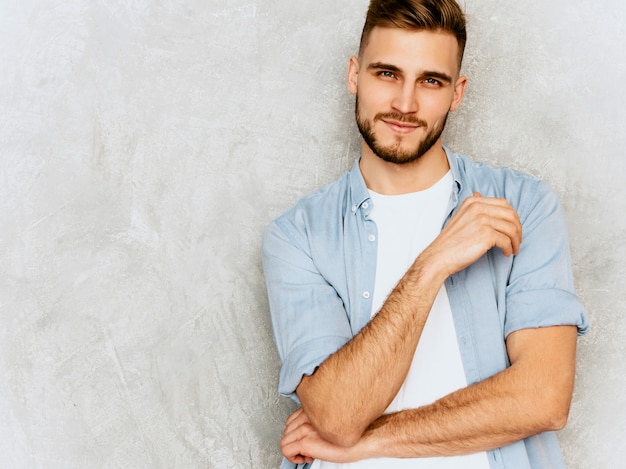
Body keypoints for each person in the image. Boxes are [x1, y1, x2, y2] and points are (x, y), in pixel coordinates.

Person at [262, 0, 589, 468]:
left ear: (457, 93)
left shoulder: (523, 206)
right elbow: (337, 415)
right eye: (387, 74)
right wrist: (434, 262)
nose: (405, 104)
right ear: (355, 76)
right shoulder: (298, 236)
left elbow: (543, 398)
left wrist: (369, 441)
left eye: (430, 81)